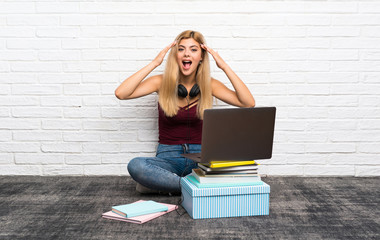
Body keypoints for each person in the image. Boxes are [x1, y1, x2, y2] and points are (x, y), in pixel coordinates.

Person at [115, 30, 255, 194]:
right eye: (181, 49)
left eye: (193, 49)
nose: (186, 53)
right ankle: (193, 186)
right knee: (136, 166)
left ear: (201, 56)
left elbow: (248, 103)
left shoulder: (210, 84)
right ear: (175, 55)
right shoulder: (161, 82)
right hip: (169, 157)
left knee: (242, 166)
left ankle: (168, 185)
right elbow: (121, 93)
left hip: (202, 156)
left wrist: (223, 66)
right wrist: (155, 63)